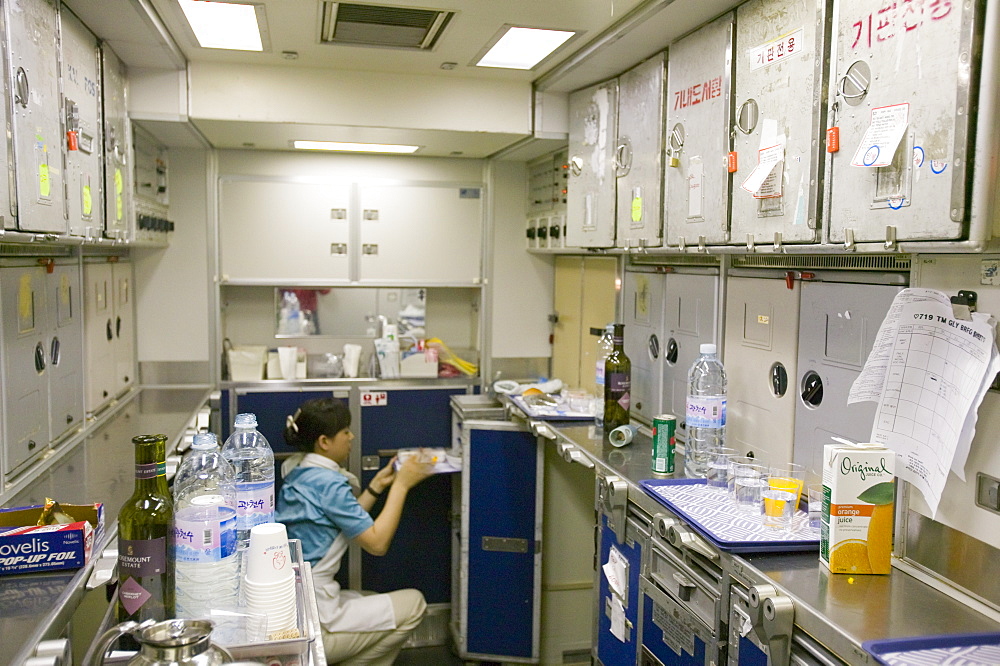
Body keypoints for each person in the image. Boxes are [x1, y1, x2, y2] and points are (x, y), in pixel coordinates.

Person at [275, 397, 435, 665]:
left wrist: (377, 487)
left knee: (371, 599)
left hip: (295, 604)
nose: (352, 437)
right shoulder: (329, 484)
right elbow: (377, 543)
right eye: (345, 432)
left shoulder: (300, 472)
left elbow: (341, 523)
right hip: (314, 619)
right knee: (415, 603)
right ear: (324, 442)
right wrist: (402, 486)